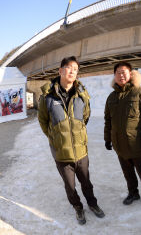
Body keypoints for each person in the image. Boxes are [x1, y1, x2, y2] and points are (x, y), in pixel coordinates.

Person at [38, 56, 104, 225]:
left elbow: (85, 117)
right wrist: (56, 138)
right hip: (61, 153)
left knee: (87, 183)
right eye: (69, 68)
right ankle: (77, 207)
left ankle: (92, 204)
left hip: (81, 152)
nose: (72, 71)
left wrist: (77, 136)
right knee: (70, 186)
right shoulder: (47, 97)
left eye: (75, 69)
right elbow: (43, 121)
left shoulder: (82, 95)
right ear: (60, 70)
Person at [104, 62, 141, 207]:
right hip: (119, 145)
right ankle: (133, 193)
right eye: (117, 72)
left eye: (124, 72)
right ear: (114, 76)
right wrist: (107, 139)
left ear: (130, 74)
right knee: (127, 172)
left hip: (137, 144)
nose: (121, 75)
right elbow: (108, 120)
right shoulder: (111, 97)